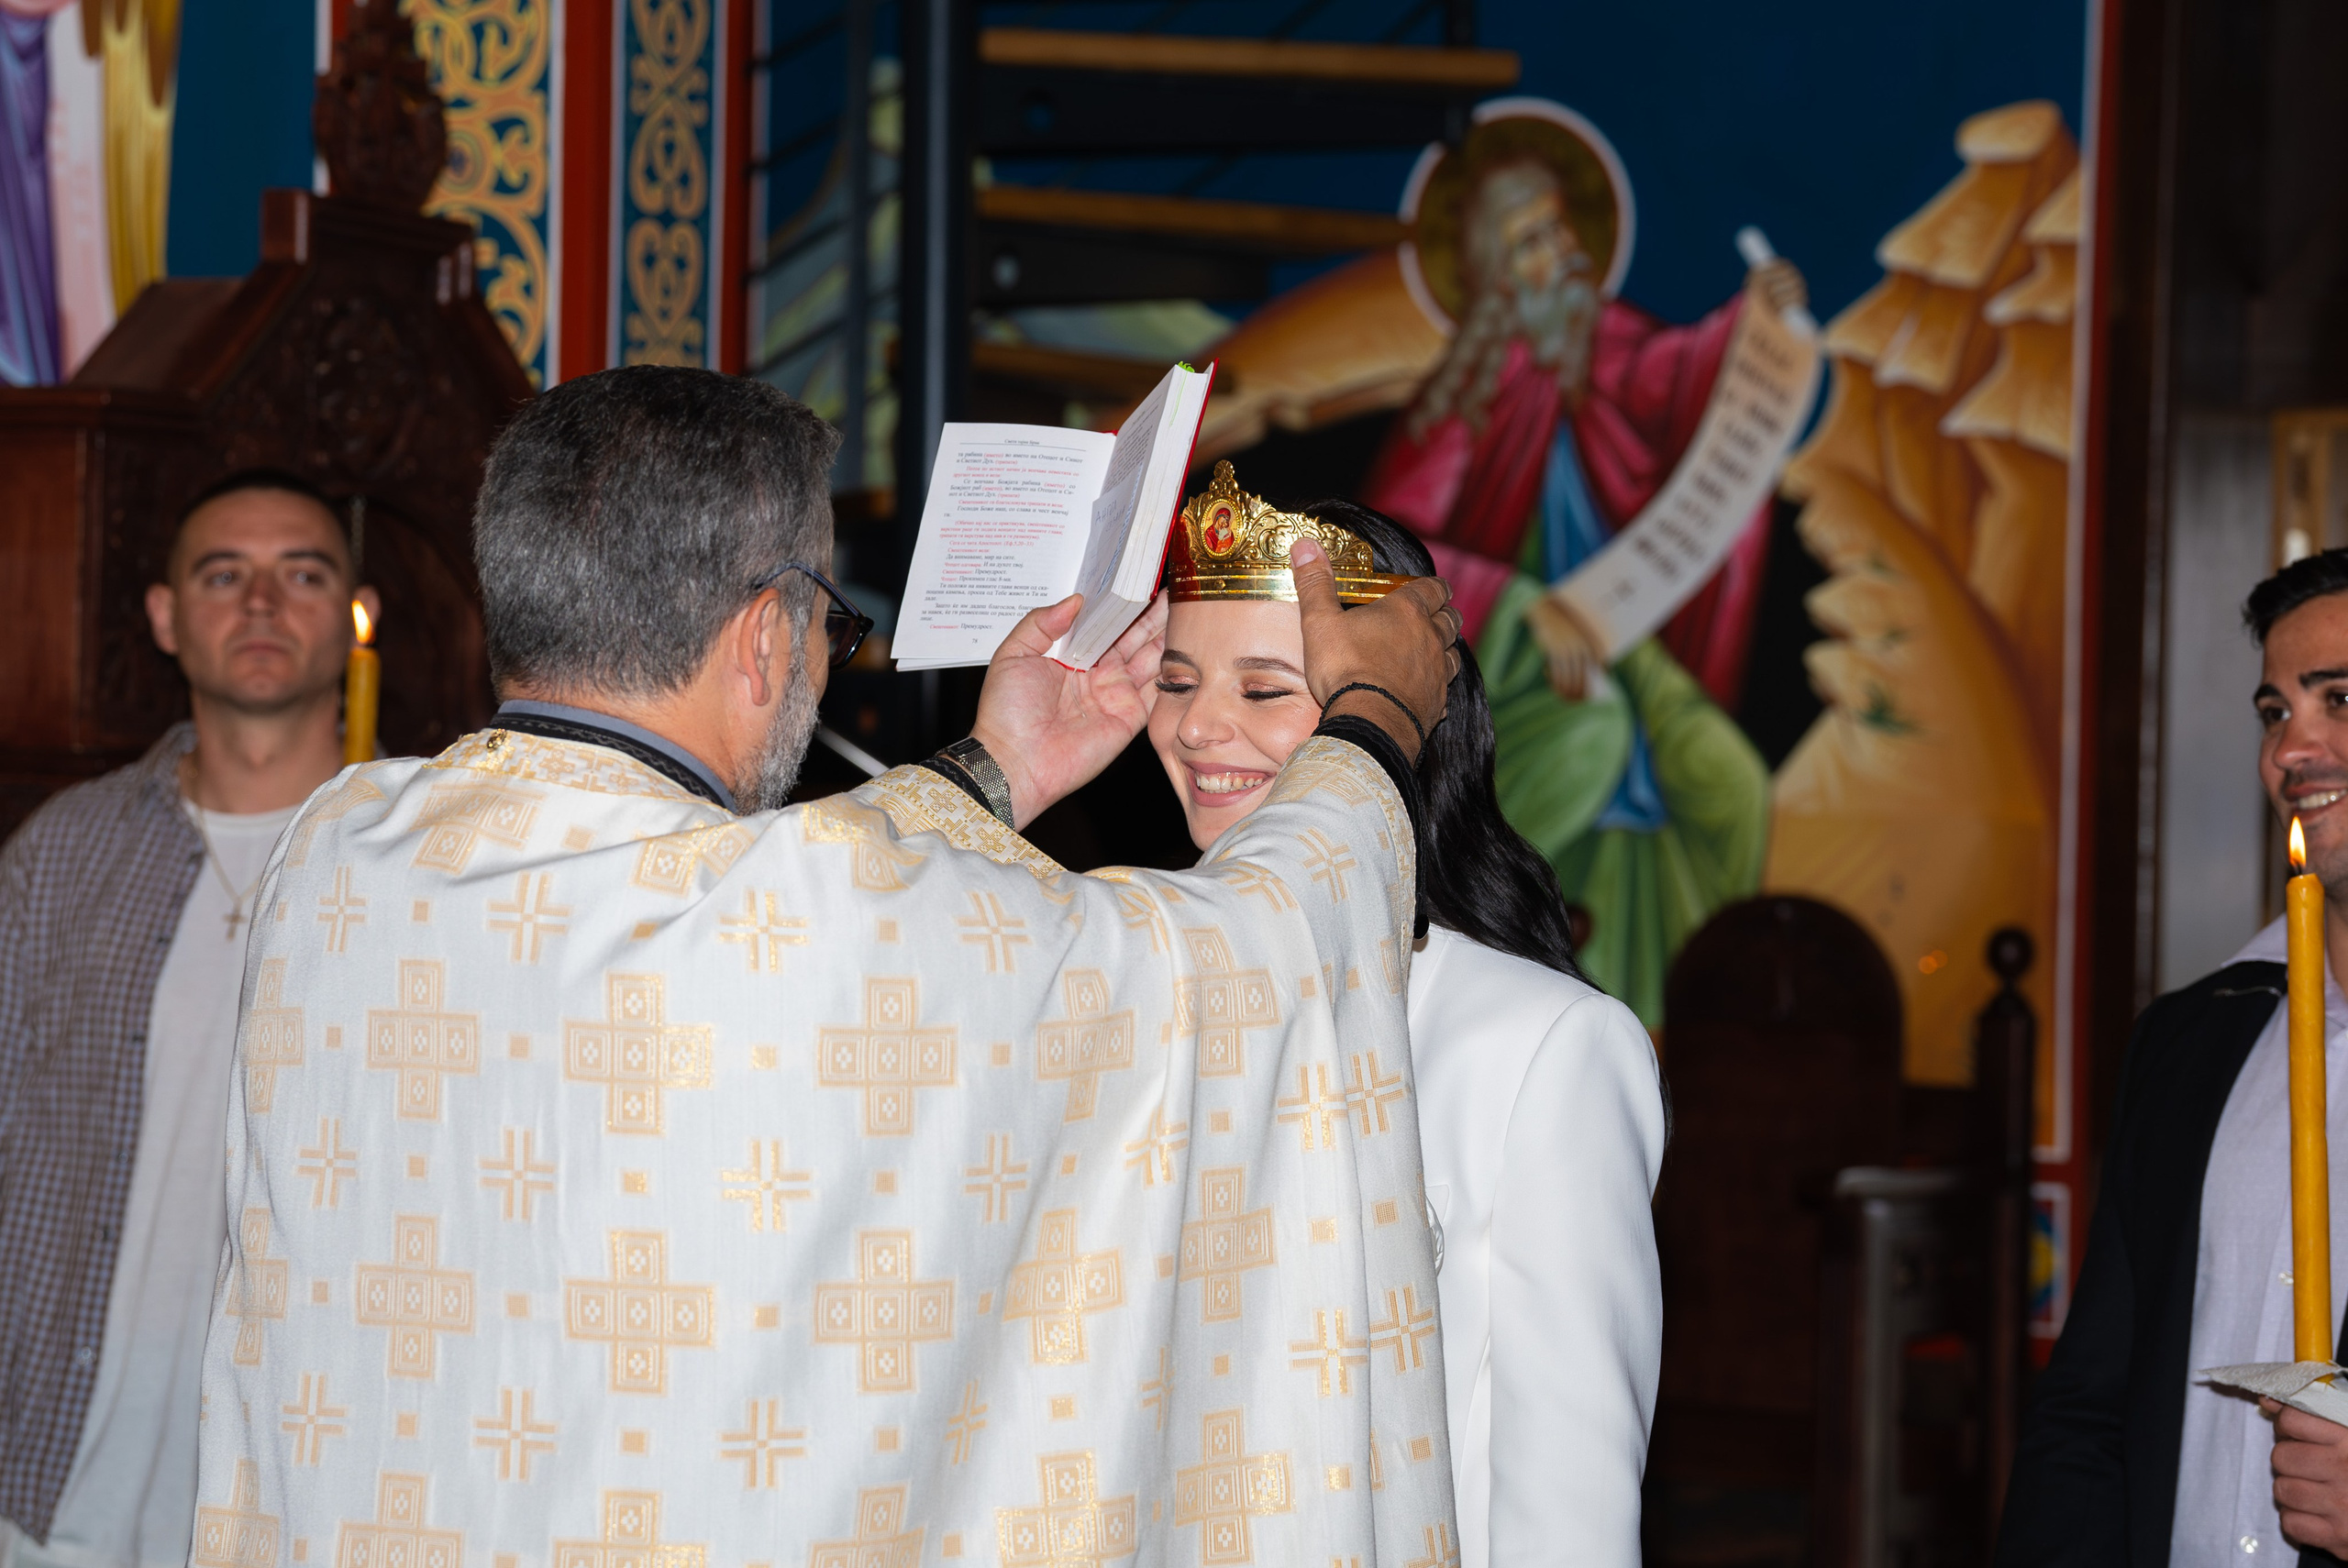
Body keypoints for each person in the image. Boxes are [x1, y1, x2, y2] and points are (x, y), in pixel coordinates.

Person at [191, 366, 1468, 1559]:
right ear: (763, 635)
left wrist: (1000, 767)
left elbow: (770, 888)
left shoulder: (342, 854)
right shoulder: (816, 911)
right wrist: (1375, 720)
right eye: (824, 624)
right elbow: (1240, 964)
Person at [1145, 462, 1667, 1567]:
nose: (1196, 730)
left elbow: (1564, 1498)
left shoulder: (1541, 1049)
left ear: (1398, 715)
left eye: (1265, 689)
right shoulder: (1145, 987)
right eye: (1177, 679)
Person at [0, 472, 376, 1566]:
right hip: (46, 1475)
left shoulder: (426, 859)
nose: (262, 604)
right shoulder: (64, 853)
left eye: (302, 574)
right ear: (167, 617)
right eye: (225, 575)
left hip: (302, 1487)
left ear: (357, 616)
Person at [1359, 121, 1805, 1028]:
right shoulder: (1461, 399)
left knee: (1729, 784)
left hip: (1625, 635)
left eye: (1562, 232)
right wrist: (1526, 611)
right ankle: (1474, 946)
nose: (1561, 256)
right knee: (1588, 735)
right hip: (1508, 671)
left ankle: (1684, 1047)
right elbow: (1387, 564)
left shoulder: (1610, 347)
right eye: (1530, 243)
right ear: (1489, 273)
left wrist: (1754, 322)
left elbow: (1680, 379)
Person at [1999, 547, 2348, 1565]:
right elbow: (2089, 1410)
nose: (2294, 749)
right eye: (2274, 711)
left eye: (2340, 697)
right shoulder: (2190, 1042)